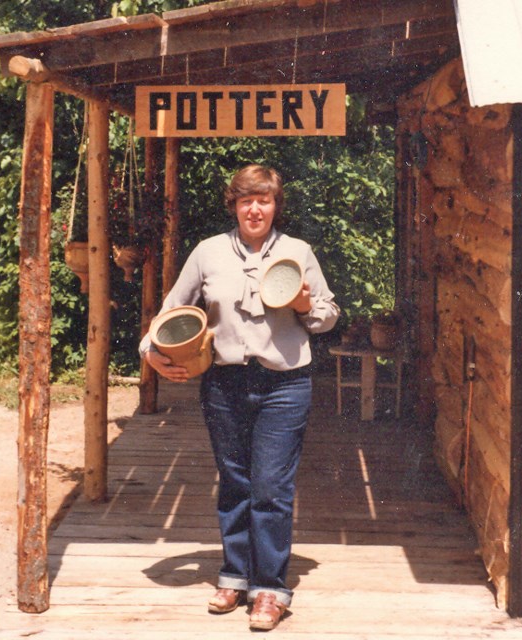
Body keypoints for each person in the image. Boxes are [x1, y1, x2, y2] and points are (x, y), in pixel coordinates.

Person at [139, 164, 340, 630]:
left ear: (276, 206)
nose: (256, 208)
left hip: (285, 385)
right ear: (233, 204)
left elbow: (328, 314)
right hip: (224, 384)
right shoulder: (208, 252)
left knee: (270, 487)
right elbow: (169, 312)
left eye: (265, 200)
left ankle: (270, 589)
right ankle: (234, 574)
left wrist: (306, 305)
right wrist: (150, 352)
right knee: (234, 484)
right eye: (247, 199)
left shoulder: (298, 252)